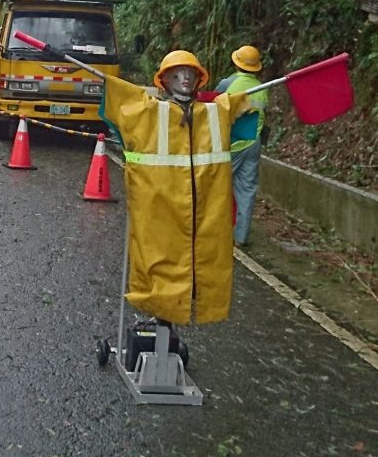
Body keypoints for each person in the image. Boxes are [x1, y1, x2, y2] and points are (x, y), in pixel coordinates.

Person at [101, 50, 258, 326]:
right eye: (177, 73)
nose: (185, 78)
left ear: (199, 80)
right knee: (156, 263)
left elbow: (243, 111)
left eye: (191, 73)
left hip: (205, 213)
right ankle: (159, 308)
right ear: (164, 80)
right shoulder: (147, 112)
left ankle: (189, 306)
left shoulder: (216, 113)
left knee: (204, 261)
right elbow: (119, 107)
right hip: (158, 213)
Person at [216, 44, 268, 248]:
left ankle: (215, 230)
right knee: (246, 190)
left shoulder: (228, 83)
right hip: (253, 142)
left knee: (217, 186)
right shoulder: (262, 87)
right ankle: (241, 236)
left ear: (236, 63)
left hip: (232, 142)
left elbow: (212, 107)